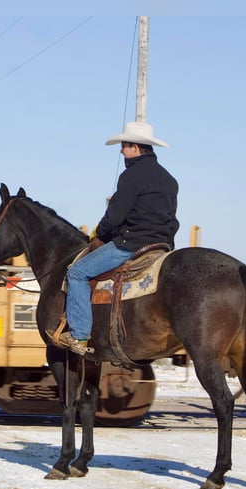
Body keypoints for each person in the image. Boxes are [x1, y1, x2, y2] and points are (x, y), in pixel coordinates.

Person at [55, 121, 179, 355]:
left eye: (124, 145)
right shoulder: (169, 179)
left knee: (77, 273)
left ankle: (80, 336)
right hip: (161, 245)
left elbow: (116, 216)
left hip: (131, 244)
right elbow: (172, 220)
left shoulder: (132, 175)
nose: (121, 150)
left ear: (135, 147)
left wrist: (99, 232)